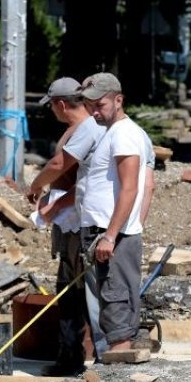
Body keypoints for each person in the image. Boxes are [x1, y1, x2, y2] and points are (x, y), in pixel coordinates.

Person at [26, 77, 107, 376]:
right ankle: (70, 356)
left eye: (53, 107)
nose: (52, 112)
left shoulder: (87, 131)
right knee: (68, 290)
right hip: (70, 225)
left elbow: (83, 179)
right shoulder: (79, 130)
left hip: (81, 224)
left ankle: (98, 356)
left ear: (61, 104)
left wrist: (42, 192)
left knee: (84, 291)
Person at [79, 72, 155, 353]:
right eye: (90, 105)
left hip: (112, 236)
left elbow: (130, 189)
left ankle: (118, 371)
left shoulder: (124, 134)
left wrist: (111, 236)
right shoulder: (114, 133)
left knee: (116, 305)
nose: (94, 111)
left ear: (118, 100)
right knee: (113, 304)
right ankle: (116, 367)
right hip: (113, 233)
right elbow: (145, 187)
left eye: (100, 104)